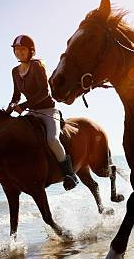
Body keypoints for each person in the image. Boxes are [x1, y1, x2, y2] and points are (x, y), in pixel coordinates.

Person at [5, 34, 81, 190]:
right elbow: (16, 95)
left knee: (52, 140)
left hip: (48, 111)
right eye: (16, 50)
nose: (19, 52)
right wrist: (9, 109)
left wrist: (24, 105)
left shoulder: (37, 66)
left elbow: (44, 93)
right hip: (32, 112)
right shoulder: (14, 71)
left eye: (22, 49)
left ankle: (69, 174)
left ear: (30, 51)